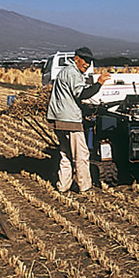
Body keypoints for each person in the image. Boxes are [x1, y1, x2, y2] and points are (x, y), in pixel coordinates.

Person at [46, 47, 110, 193]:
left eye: (89, 61)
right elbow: (82, 94)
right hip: (70, 120)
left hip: (58, 118)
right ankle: (85, 186)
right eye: (85, 61)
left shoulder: (65, 71)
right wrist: (99, 83)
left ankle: (63, 185)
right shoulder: (73, 73)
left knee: (66, 154)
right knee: (81, 154)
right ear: (76, 59)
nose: (87, 64)